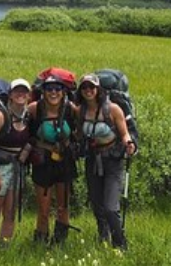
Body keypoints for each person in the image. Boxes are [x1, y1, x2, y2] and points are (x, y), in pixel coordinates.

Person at [76, 73, 137, 251]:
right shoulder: (80, 111)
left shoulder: (113, 109)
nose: (88, 91)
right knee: (97, 205)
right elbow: (79, 133)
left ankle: (120, 244)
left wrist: (129, 144)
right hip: (92, 160)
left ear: (98, 89)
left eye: (91, 87)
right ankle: (103, 237)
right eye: (85, 87)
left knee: (111, 207)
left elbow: (124, 133)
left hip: (112, 160)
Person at [25, 75, 80, 246]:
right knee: (43, 208)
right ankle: (41, 242)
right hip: (43, 162)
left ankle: (59, 243)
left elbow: (81, 130)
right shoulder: (35, 109)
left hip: (65, 161)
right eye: (49, 89)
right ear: (43, 91)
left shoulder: (71, 109)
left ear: (64, 92)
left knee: (63, 205)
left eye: (57, 89)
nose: (53, 92)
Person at [0, 77, 32, 255]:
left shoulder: (27, 115)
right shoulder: (0, 115)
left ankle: (4, 252)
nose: (20, 94)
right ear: (10, 95)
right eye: (17, 91)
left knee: (10, 214)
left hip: (17, 169)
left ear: (29, 95)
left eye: (24, 91)